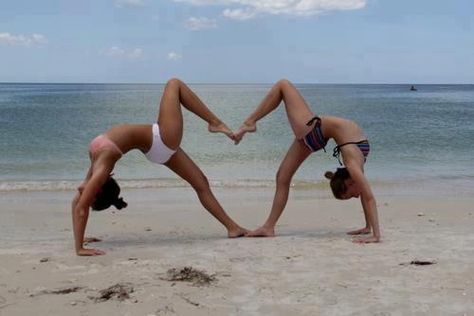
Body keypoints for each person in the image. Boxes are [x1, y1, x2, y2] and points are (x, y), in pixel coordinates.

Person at [72, 78, 247, 256]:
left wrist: (80, 238)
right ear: (98, 190)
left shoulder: (96, 165)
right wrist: (79, 249)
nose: (80, 189)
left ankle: (232, 228)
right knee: (174, 84)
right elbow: (81, 208)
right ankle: (214, 122)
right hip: (162, 139)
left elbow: (77, 203)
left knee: (201, 183)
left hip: (155, 146)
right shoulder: (100, 172)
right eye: (87, 193)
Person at [233, 79, 380, 243]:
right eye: (350, 196)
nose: (355, 198)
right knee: (282, 176)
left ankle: (250, 122)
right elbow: (369, 198)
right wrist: (375, 235)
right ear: (349, 183)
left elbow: (366, 197)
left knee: (283, 85)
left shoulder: (354, 166)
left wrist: (370, 228)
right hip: (313, 130)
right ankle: (269, 227)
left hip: (314, 133)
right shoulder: (354, 164)